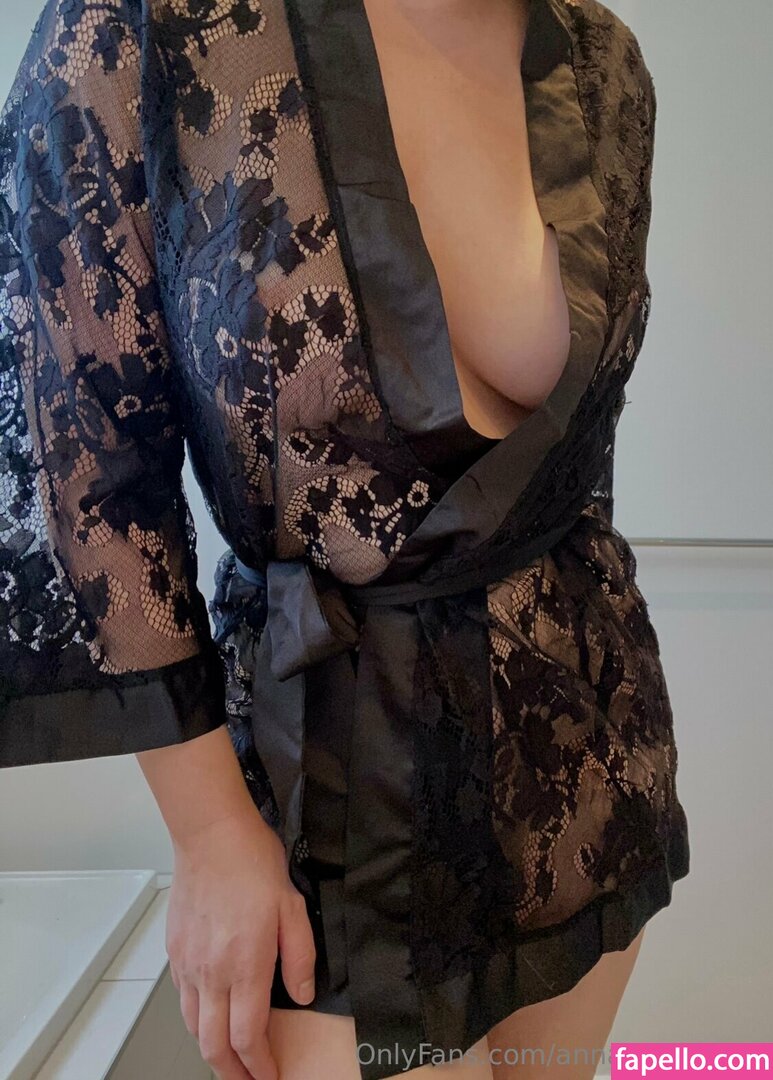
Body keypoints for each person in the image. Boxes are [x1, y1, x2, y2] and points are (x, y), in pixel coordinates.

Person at [0, 0, 690, 1078]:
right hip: (324, 783)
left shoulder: (600, 60)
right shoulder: (146, 29)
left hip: (579, 778)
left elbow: (571, 462)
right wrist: (209, 838)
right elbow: (79, 466)